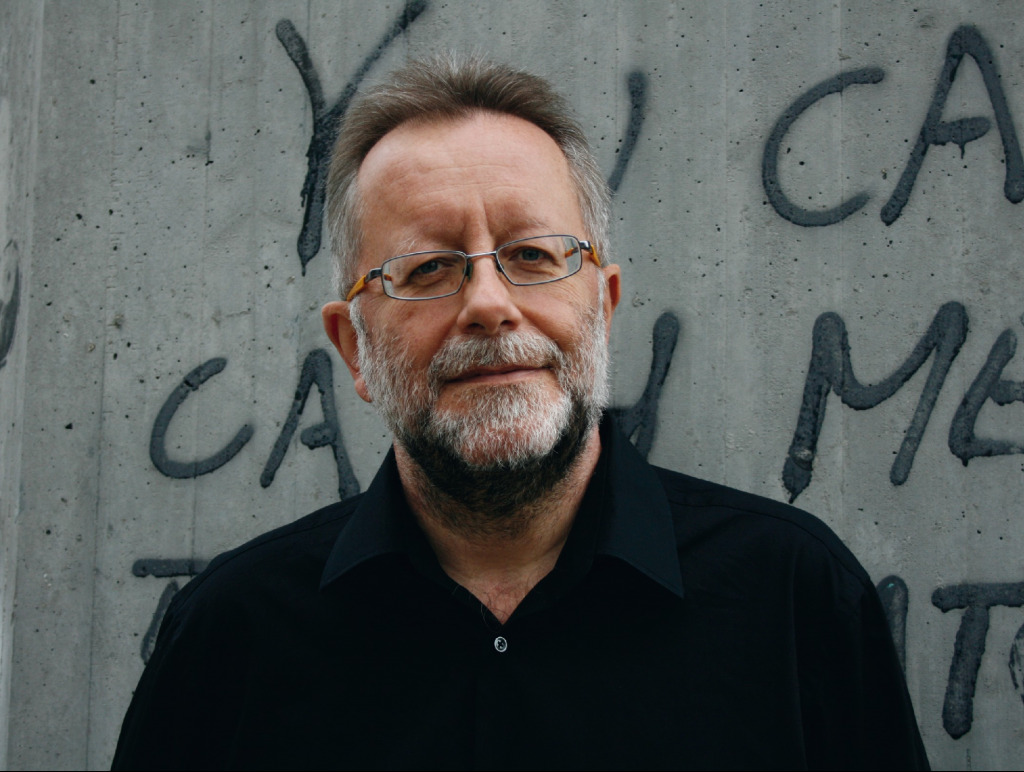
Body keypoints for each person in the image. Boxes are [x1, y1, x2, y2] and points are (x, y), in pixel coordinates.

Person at [113, 54, 929, 769]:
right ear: (354, 348)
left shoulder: (795, 603)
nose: (489, 304)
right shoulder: (232, 637)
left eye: (533, 255)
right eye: (427, 269)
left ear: (603, 306)